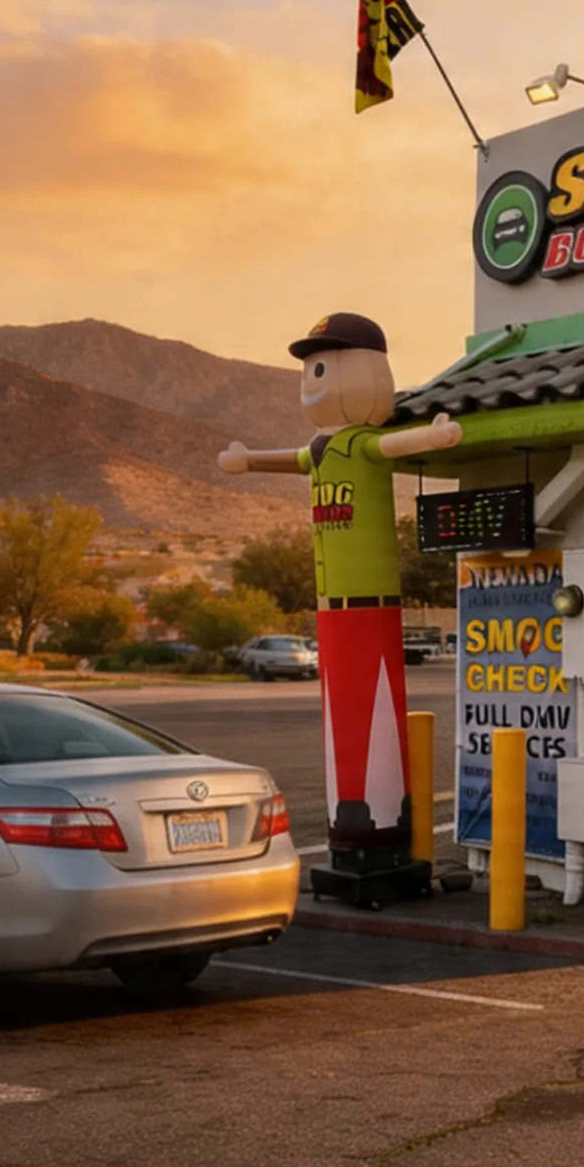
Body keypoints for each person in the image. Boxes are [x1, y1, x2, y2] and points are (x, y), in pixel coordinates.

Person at [221, 313, 461, 876]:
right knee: (344, 725)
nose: (315, 379)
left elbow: (398, 445)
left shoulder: (364, 445)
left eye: (325, 366)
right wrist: (249, 460)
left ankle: (381, 836)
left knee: (374, 722)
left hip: (370, 608)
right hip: (333, 613)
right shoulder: (323, 449)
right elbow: (294, 460)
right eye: (311, 370)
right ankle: (353, 836)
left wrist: (434, 437)